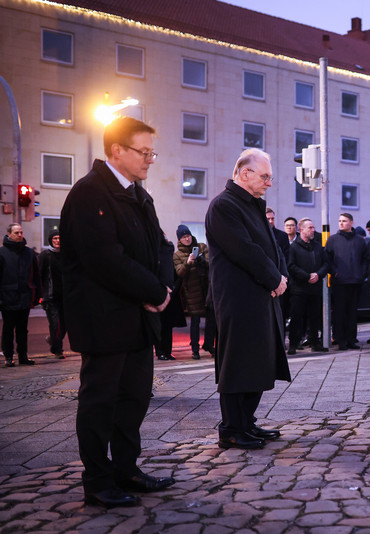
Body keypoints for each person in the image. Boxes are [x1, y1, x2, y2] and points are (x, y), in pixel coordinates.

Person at [60, 116, 174, 507]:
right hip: (104, 317)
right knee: (100, 401)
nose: (150, 160)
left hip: (140, 316)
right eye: (144, 152)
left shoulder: (140, 195)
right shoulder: (90, 194)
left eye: (151, 152)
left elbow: (161, 246)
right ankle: (98, 481)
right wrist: (154, 290)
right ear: (116, 151)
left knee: (135, 397)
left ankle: (127, 469)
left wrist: (162, 288)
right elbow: (106, 260)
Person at [206, 148, 289, 450]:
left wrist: (280, 277)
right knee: (238, 362)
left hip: (260, 295)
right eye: (265, 176)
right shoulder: (224, 206)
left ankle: (246, 422)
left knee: (258, 361)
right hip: (239, 298)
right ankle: (231, 428)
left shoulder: (251, 205)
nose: (269, 182)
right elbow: (245, 249)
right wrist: (273, 279)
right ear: (244, 174)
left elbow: (271, 247)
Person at [325, 213, 369, 350]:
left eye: (344, 221)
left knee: (352, 313)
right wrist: (335, 272)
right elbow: (327, 259)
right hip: (339, 282)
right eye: (339, 221)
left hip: (355, 282)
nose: (341, 223)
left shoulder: (360, 241)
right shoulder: (332, 240)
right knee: (339, 312)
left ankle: (351, 339)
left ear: (351, 222)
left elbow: (365, 259)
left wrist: (361, 274)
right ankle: (340, 339)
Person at [0, 223, 41, 367]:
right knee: (8, 329)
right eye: (16, 232)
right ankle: (9, 356)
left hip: (24, 297)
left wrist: (37, 296)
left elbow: (36, 275)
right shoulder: (2, 253)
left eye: (21, 232)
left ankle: (23, 356)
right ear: (9, 234)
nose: (20, 235)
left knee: (23, 330)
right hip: (7, 297)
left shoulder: (29, 253)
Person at [287, 218, 328, 354]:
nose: (313, 230)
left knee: (315, 317)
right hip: (299, 289)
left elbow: (325, 264)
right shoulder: (294, 247)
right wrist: (307, 276)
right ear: (302, 230)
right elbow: (291, 266)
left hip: (315, 289)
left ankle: (315, 343)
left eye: (313, 227)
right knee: (296, 317)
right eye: (310, 227)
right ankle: (293, 344)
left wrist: (318, 274)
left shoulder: (317, 246)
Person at [173, 225, 213, 360]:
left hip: (206, 289)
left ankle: (209, 344)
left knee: (211, 320)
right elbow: (180, 272)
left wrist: (202, 260)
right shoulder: (177, 255)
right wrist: (188, 262)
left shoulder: (201, 247)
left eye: (188, 236)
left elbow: (211, 263)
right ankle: (194, 349)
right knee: (195, 321)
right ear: (180, 239)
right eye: (184, 237)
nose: (187, 239)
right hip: (192, 291)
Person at [38, 230, 65, 359]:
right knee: (55, 323)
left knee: (65, 323)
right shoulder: (45, 255)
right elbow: (39, 275)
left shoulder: (67, 254)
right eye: (55, 238)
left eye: (60, 238)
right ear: (50, 240)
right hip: (50, 296)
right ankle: (57, 350)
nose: (57, 241)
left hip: (66, 296)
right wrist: (41, 295)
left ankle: (54, 340)